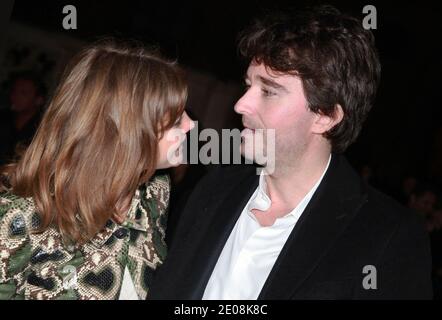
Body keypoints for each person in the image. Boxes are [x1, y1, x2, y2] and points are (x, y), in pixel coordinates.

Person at [149, 5, 432, 299]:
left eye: (268, 91)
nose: (241, 104)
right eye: (248, 85)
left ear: (326, 116)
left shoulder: (388, 237)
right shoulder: (214, 190)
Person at [0, 40, 193, 300]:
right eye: (177, 119)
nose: (191, 125)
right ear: (129, 129)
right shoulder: (21, 215)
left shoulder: (154, 192)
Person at [0, 72, 46, 165]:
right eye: (14, 91)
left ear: (39, 100)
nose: (15, 96)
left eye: (23, 93)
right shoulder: (4, 117)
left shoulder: (41, 130)